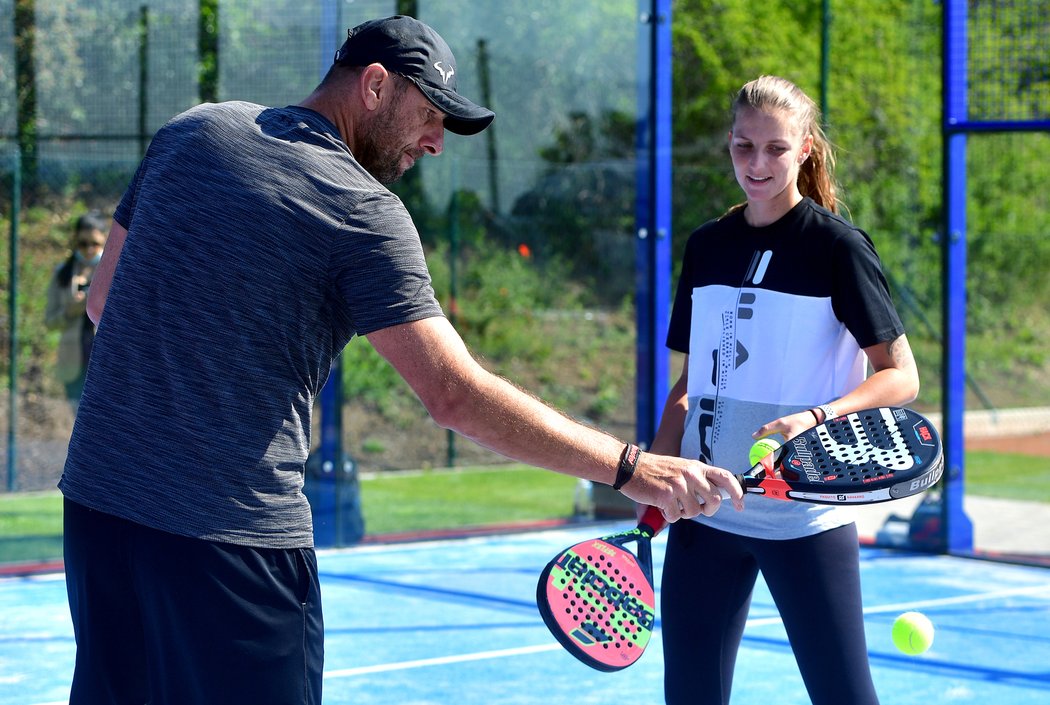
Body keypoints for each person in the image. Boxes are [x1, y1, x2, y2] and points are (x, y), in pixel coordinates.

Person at [59, 16, 744, 705]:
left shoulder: (193, 131)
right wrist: (630, 467)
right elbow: (453, 395)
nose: (437, 141)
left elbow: (102, 300)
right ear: (376, 86)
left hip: (100, 515)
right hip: (232, 543)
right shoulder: (362, 210)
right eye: (431, 114)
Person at [651, 75, 919, 705]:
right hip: (706, 510)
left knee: (844, 696)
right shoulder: (707, 246)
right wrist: (659, 473)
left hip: (804, 515)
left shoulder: (836, 247)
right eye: (744, 146)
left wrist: (817, 416)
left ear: (804, 149)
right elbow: (692, 384)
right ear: (729, 145)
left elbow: (901, 376)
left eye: (775, 148)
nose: (757, 163)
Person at [44, 211, 108, 416]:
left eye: (95, 244)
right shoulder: (62, 273)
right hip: (73, 362)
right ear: (75, 241)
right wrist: (69, 311)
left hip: (106, 359)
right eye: (83, 243)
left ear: (106, 241)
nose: (89, 249)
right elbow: (50, 322)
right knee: (80, 421)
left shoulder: (115, 272)